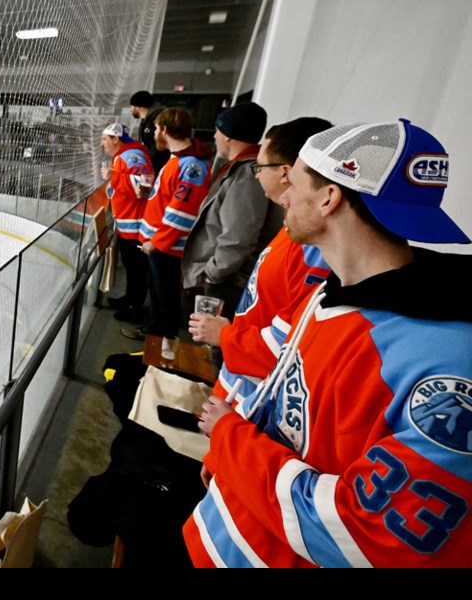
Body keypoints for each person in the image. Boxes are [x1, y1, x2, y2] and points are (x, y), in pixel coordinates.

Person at [187, 119, 472, 568]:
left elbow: (364, 532)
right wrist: (230, 459)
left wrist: (230, 439)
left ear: (329, 197)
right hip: (231, 534)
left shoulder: (447, 368)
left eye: (294, 182)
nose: (284, 196)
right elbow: (293, 407)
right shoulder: (331, 294)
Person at [188, 117, 333, 405]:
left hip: (254, 397)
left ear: (286, 173)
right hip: (240, 387)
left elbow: (293, 344)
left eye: (260, 167)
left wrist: (226, 335)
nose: (255, 175)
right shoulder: (291, 231)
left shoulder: (312, 247)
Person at [180, 102, 280, 368]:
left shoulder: (247, 173)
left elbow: (239, 236)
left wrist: (213, 272)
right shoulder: (240, 168)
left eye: (216, 130)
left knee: (220, 350)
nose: (213, 136)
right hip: (226, 276)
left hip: (228, 280)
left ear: (227, 135)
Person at [124, 108, 211, 340]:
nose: (152, 134)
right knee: (157, 293)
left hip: (165, 246)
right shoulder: (178, 159)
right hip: (157, 243)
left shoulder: (192, 165)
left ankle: (165, 342)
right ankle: (153, 333)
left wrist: (157, 242)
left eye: (155, 129)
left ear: (164, 129)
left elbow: (182, 212)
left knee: (166, 296)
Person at [99, 122, 154, 323]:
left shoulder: (132, 156)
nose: (101, 143)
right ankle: (130, 299)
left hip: (136, 226)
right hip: (128, 224)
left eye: (105, 139)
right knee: (132, 267)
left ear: (116, 139)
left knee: (137, 269)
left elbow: (145, 187)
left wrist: (115, 178)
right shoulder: (123, 156)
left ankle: (135, 308)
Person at [129, 90, 170, 174]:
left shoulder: (157, 118)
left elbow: (157, 145)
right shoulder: (146, 119)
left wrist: (146, 160)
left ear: (138, 107)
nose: (130, 110)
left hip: (158, 165)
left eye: (131, 106)